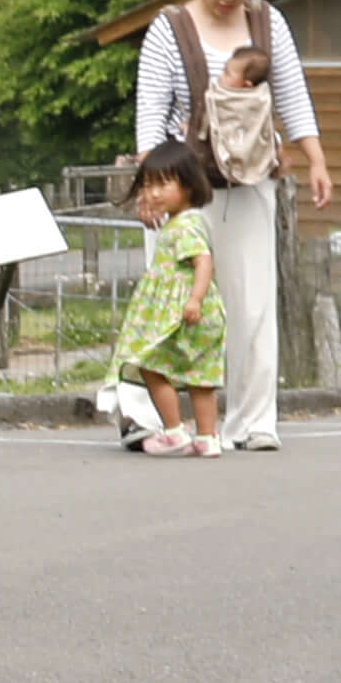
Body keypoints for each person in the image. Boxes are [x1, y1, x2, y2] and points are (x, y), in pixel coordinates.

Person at [132, 0, 332, 451]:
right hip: (182, 191)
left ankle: (253, 420)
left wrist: (315, 159)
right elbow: (150, 113)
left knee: (252, 303)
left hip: (248, 183)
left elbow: (292, 93)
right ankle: (152, 420)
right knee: (168, 302)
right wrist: (150, 188)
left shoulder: (269, 24)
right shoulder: (168, 28)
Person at [100, 140, 230, 454]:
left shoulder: (185, 225)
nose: (154, 192)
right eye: (148, 184)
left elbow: (203, 260)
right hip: (196, 310)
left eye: (163, 184)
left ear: (188, 184)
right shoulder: (185, 221)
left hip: (185, 312)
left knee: (150, 363)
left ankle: (174, 431)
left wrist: (195, 299)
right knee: (200, 375)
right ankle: (207, 437)